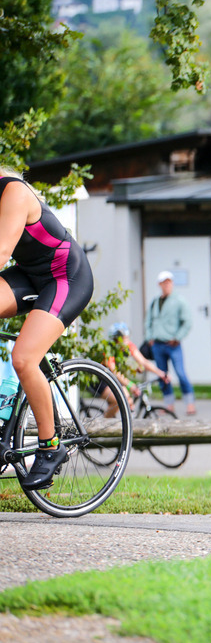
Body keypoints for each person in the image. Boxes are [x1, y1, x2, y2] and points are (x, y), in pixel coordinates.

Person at [0, 167, 95, 490]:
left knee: (24, 358)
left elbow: (0, 254)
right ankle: (4, 407)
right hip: (30, 273)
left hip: (65, 277)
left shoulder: (12, 191)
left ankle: (51, 446)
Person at [144, 271, 196, 415]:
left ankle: (190, 403)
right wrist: (150, 338)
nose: (167, 285)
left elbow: (187, 321)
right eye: (164, 283)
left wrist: (178, 337)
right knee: (162, 375)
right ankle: (168, 404)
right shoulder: (155, 302)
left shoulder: (179, 301)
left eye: (169, 282)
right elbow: (148, 321)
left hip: (173, 345)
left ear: (172, 283)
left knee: (181, 373)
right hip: (158, 345)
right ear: (160, 284)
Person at [100, 322, 170, 417]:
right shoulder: (108, 350)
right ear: (116, 340)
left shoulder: (128, 346)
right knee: (120, 400)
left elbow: (143, 362)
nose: (127, 341)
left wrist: (160, 373)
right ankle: (102, 426)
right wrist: (130, 385)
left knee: (129, 401)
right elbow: (114, 371)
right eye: (124, 338)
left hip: (113, 378)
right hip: (101, 380)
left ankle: (126, 425)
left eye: (127, 337)